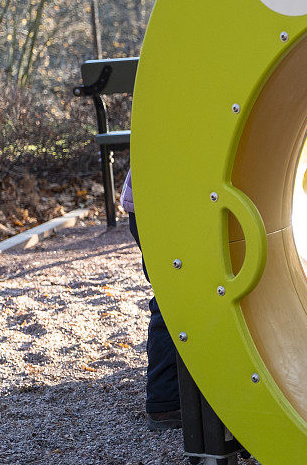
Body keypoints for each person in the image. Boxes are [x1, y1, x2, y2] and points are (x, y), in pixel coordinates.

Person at [120, 171, 182, 430]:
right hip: (160, 199)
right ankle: (164, 402)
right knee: (173, 293)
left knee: (175, 292)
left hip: (161, 197)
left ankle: (169, 398)